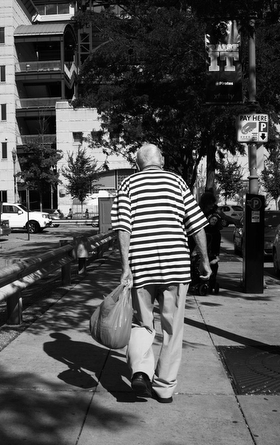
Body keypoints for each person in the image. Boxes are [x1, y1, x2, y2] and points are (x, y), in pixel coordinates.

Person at [111, 143, 211, 404]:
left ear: (138, 164)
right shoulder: (177, 182)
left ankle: (141, 373)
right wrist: (205, 260)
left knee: (142, 324)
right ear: (161, 160)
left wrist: (125, 268)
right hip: (175, 266)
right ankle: (164, 388)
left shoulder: (127, 186)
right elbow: (196, 225)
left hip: (141, 267)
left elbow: (123, 229)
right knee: (172, 329)